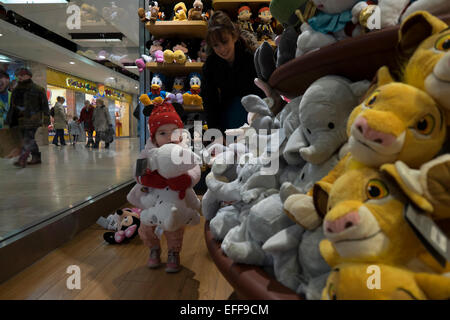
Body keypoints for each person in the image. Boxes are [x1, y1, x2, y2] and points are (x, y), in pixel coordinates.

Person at [136, 102, 201, 273]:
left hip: (176, 197)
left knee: (175, 227)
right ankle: (154, 248)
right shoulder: (147, 152)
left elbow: (195, 168)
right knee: (146, 226)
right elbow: (138, 173)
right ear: (153, 136)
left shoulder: (183, 150)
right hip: (152, 197)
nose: (169, 137)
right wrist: (148, 179)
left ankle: (173, 252)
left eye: (174, 132)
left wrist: (187, 180)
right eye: (162, 133)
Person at [202, 10, 264, 133]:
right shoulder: (210, 66)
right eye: (216, 45)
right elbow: (210, 101)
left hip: (257, 113)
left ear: (234, 36)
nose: (222, 49)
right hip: (228, 115)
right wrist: (216, 134)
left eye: (225, 42)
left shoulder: (252, 58)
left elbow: (264, 93)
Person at [6, 67, 50, 167]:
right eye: (18, 75)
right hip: (19, 119)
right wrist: (9, 119)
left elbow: (44, 105)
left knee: (28, 138)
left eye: (22, 75)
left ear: (29, 76)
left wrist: (46, 118)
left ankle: (23, 159)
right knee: (28, 139)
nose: (20, 77)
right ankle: (36, 157)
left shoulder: (38, 89)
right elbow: (12, 106)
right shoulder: (16, 90)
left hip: (33, 119)